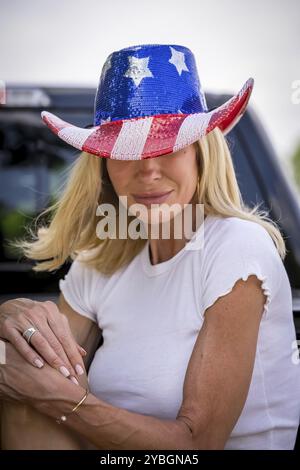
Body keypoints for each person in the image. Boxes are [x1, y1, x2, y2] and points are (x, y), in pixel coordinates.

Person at [0, 43, 299, 450]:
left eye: (169, 145)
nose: (149, 170)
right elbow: (19, 375)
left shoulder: (236, 247)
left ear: (201, 153)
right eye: (125, 150)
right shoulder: (101, 261)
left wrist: (66, 401)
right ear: (104, 166)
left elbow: (197, 444)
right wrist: (9, 327)